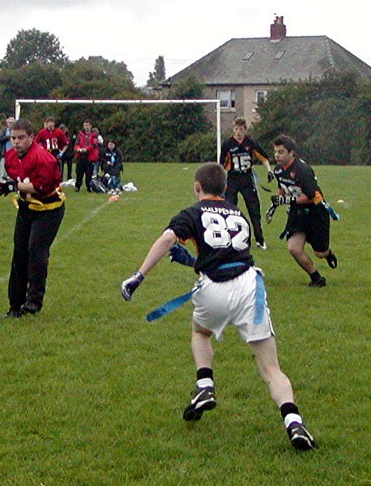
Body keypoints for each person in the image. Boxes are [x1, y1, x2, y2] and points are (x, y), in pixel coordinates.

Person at [120, 162, 317, 450]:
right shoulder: (238, 214)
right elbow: (227, 255)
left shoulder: (191, 213)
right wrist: (193, 261)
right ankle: (293, 421)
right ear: (225, 188)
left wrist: (139, 275)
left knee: (200, 333)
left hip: (213, 287)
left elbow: (169, 239)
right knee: (271, 368)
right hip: (249, 286)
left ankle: (205, 384)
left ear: (196, 187)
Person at [1, 119, 65, 318]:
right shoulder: (10, 156)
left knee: (36, 251)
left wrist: (13, 186)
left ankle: (33, 302)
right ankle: (15, 304)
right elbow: (16, 179)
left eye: (21, 138)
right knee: (19, 252)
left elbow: (40, 187)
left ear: (31, 137)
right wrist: (4, 185)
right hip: (26, 207)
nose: (16, 142)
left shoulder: (43, 158)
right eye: (13, 138)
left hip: (48, 209)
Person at [270, 134, 337, 287]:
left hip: (315, 211)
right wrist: (275, 204)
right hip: (297, 212)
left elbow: (310, 196)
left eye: (281, 152)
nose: (277, 155)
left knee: (319, 253)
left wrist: (288, 200)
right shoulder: (278, 170)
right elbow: (282, 188)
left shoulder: (303, 170)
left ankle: (327, 253)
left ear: (291, 153)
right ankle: (317, 278)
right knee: (293, 248)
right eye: (275, 152)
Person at [221, 117, 274, 250]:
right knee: (229, 209)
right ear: (233, 129)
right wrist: (220, 181)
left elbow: (263, 158)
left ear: (245, 129)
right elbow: (221, 164)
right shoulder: (228, 144)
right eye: (236, 129)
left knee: (254, 210)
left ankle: (259, 239)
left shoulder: (251, 143)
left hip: (247, 178)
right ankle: (230, 238)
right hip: (232, 178)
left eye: (241, 129)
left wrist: (269, 171)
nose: (238, 132)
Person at [73, 120, 99, 192]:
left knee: (89, 173)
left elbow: (94, 145)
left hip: (89, 157)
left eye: (87, 125)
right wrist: (78, 149)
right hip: (80, 156)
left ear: (91, 126)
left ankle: (89, 187)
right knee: (79, 172)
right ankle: (77, 186)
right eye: (85, 125)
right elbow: (76, 144)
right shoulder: (80, 135)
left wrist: (86, 149)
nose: (86, 127)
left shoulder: (94, 135)